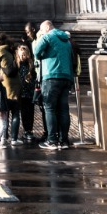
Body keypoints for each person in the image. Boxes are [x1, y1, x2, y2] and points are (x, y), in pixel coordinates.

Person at [33, 18, 76, 151]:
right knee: (63, 109)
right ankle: (64, 140)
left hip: (51, 76)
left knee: (49, 108)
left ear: (46, 28)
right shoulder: (66, 40)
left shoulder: (47, 37)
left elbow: (36, 53)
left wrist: (41, 39)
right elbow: (72, 58)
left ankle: (52, 140)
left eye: (41, 30)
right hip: (66, 77)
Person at [0, 35, 22, 146]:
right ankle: (14, 138)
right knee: (15, 111)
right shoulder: (11, 49)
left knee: (5, 111)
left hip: (5, 83)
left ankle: (4, 137)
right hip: (16, 82)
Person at [14, 43, 38, 144]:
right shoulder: (17, 64)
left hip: (30, 91)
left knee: (31, 111)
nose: (23, 57)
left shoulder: (30, 64)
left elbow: (34, 74)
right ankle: (26, 130)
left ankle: (29, 130)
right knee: (24, 112)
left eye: (25, 54)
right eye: (21, 55)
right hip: (21, 92)